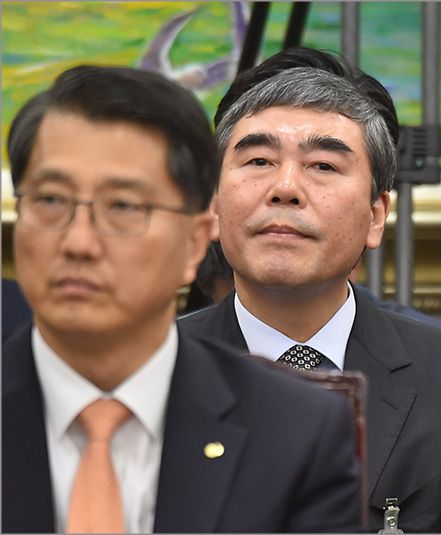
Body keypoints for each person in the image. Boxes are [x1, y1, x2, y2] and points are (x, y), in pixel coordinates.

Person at [178, 47, 441, 533]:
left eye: (323, 166)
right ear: (214, 206)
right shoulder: (150, 369)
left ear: (375, 216)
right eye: (259, 160)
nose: (285, 188)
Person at [2, 65, 361, 532]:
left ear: (194, 242)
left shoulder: (296, 432)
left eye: (123, 207)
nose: (79, 242)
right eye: (50, 201)